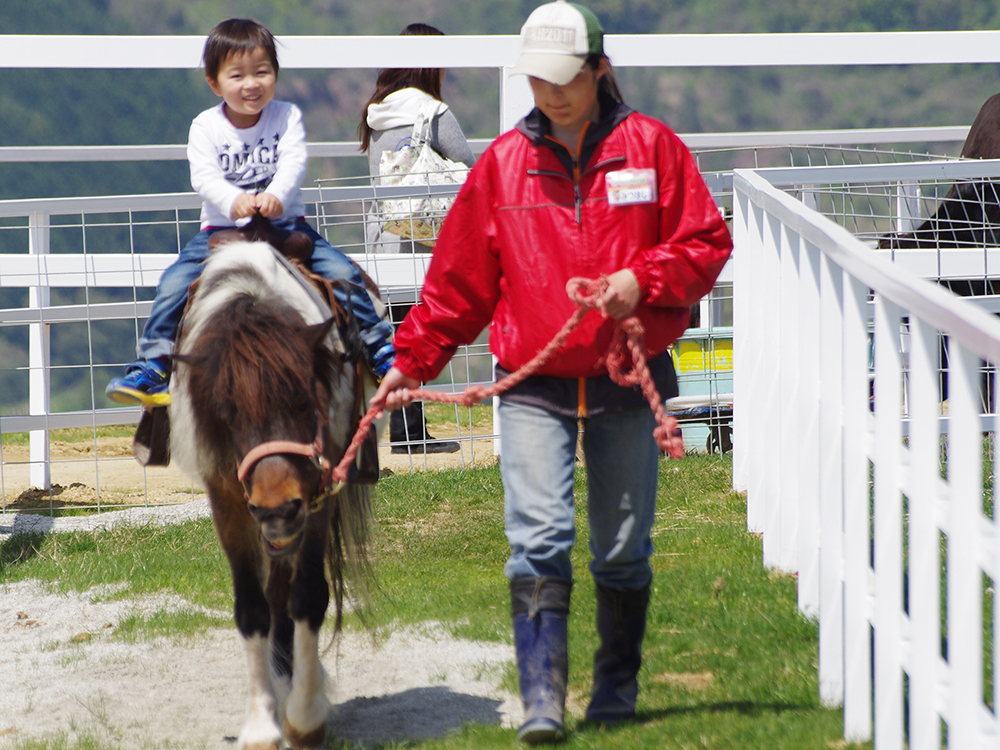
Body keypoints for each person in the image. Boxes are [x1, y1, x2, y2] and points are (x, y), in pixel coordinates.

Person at [370, 1, 732, 743]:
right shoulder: (502, 165)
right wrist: (408, 364)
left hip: (627, 379)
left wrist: (645, 280)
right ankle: (541, 702)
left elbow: (705, 243)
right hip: (531, 386)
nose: (553, 92)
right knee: (537, 537)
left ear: (601, 69)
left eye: (566, 77)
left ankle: (616, 688)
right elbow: (457, 287)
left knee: (623, 546)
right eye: (539, 78)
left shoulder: (653, 149)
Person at [106, 18, 395, 407]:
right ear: (214, 82)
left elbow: (293, 162)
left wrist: (276, 195)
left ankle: (380, 351)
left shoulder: (286, 116)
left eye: (262, 72)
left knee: (344, 274)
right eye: (237, 75)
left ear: (275, 73)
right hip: (221, 229)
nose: (251, 84)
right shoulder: (205, 126)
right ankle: (153, 364)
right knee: (175, 283)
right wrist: (232, 201)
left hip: (286, 225)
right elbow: (204, 176)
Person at [359, 22, 476, 454]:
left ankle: (403, 428)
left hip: (386, 234)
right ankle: (409, 434)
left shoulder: (376, 113)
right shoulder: (434, 112)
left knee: (396, 325)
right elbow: (467, 164)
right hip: (425, 238)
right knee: (420, 327)